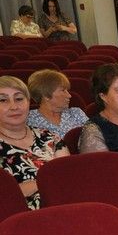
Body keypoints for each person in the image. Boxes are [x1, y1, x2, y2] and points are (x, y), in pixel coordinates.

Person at [0, 76, 68, 209]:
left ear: (28, 102)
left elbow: (67, 179)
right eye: (3, 100)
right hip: (13, 219)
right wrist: (45, 181)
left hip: (61, 209)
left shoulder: (50, 138)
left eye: (19, 99)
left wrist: (32, 185)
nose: (14, 106)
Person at [26, 69, 89, 139]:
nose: (69, 96)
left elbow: (94, 138)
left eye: (67, 91)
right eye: (63, 90)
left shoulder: (76, 113)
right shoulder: (29, 119)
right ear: (46, 95)